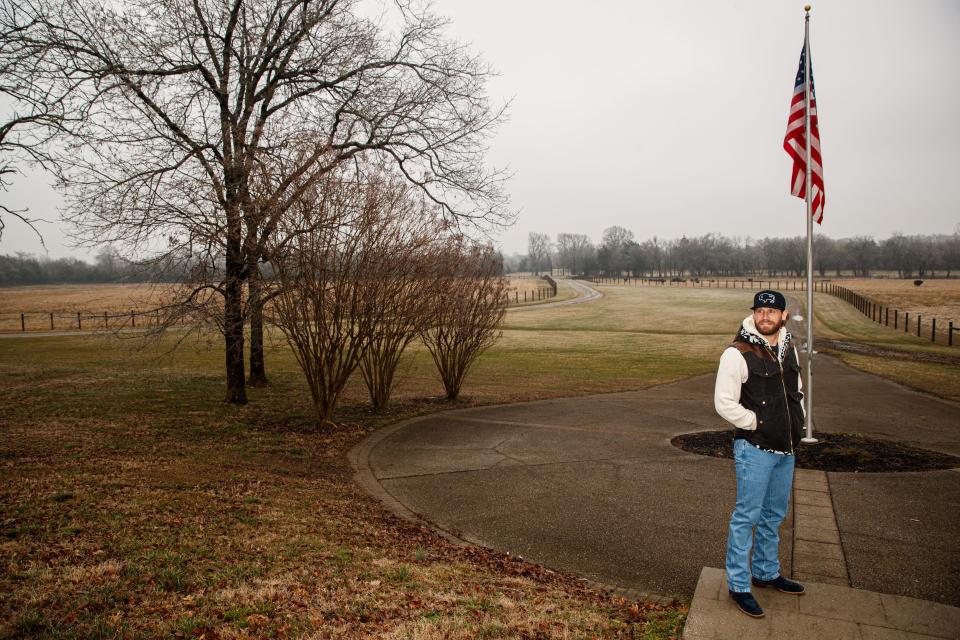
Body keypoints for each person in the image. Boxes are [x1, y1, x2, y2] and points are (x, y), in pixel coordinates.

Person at [714, 289, 806, 618]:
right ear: (753, 313)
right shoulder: (738, 352)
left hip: (786, 448)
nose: (765, 316)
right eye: (760, 311)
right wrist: (754, 421)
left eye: (772, 311)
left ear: (783, 316)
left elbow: (795, 391)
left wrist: (801, 422)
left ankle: (766, 573)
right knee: (746, 518)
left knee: (774, 516)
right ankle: (739, 585)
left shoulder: (787, 347)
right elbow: (724, 402)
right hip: (754, 449)